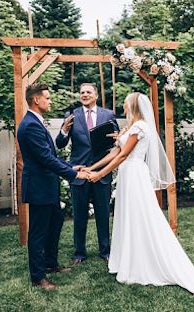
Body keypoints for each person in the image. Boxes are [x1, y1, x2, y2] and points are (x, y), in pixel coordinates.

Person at [85, 92, 194, 300]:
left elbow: (124, 155)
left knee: (140, 217)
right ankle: (129, 258)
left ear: (133, 106)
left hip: (134, 175)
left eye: (125, 105)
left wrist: (100, 175)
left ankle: (141, 263)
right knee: (128, 217)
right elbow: (115, 152)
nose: (123, 108)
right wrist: (92, 168)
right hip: (127, 176)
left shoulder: (140, 127)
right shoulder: (132, 126)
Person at [17, 83, 90, 290]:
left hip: (47, 185)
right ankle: (38, 277)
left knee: (55, 223)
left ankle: (50, 264)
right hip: (39, 187)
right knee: (38, 233)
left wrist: (70, 165)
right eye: (47, 98)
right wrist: (73, 173)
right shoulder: (30, 124)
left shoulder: (36, 122)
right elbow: (46, 159)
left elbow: (49, 157)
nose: (50, 101)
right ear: (36, 100)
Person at [55, 83, 117, 265]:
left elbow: (116, 140)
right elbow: (59, 144)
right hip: (80, 172)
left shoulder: (108, 114)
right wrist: (64, 130)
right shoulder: (72, 115)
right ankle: (79, 252)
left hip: (101, 172)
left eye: (88, 92)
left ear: (96, 95)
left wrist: (117, 136)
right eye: (82, 92)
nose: (84, 95)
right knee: (79, 214)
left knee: (103, 213)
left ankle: (105, 251)